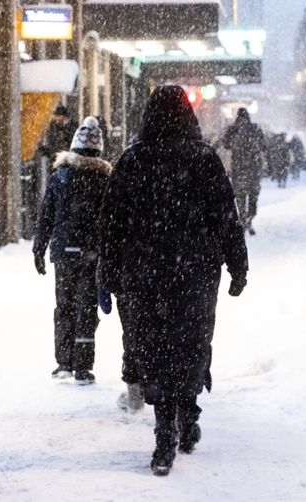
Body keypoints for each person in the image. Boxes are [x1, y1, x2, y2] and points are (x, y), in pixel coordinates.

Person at [98, 86, 248, 477]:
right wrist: (237, 265)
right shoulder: (203, 159)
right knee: (191, 342)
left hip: (146, 273)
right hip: (196, 272)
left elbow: (112, 224)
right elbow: (226, 216)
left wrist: (108, 271)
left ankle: (165, 426)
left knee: (154, 346)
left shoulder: (133, 160)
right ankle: (188, 412)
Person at [33, 117, 111, 385]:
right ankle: (83, 365)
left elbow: (46, 216)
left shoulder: (60, 177)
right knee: (86, 307)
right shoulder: (104, 180)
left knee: (64, 305)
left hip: (64, 253)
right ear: (98, 150)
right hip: (91, 255)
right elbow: (111, 221)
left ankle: (63, 362)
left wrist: (39, 248)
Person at [219, 107, 266, 234]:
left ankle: (243, 218)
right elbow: (263, 145)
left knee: (240, 196)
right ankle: (249, 218)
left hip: (238, 169)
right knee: (253, 196)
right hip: (253, 169)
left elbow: (226, 144)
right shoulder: (255, 129)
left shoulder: (233, 129)